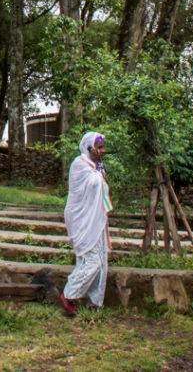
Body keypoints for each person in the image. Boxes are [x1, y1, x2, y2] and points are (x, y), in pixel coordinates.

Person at [60, 131, 112, 316]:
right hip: (82, 220)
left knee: (101, 261)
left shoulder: (96, 167)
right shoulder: (79, 165)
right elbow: (87, 188)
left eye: (103, 147)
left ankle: (94, 302)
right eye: (99, 147)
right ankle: (69, 294)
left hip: (96, 220)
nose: (102, 151)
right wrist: (98, 176)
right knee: (92, 262)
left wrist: (99, 175)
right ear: (88, 147)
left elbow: (102, 190)